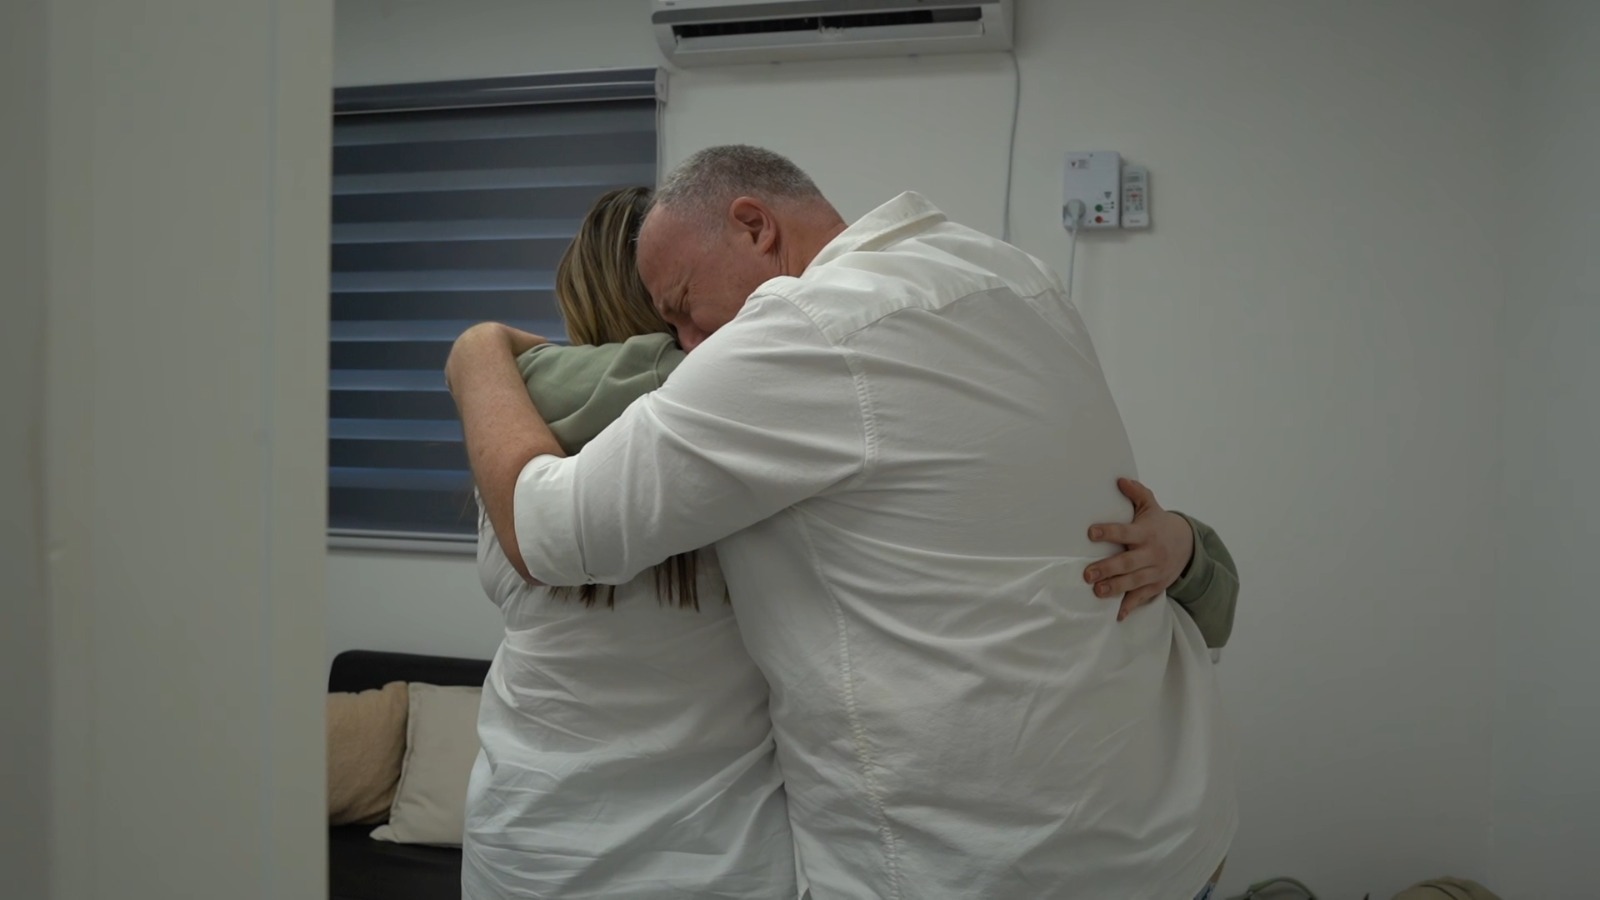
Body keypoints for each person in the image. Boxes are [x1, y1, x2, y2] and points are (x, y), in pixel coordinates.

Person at [449, 159, 1239, 898]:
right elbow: (1052, 508)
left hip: (998, 865)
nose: (693, 347)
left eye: (687, 305)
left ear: (755, 226)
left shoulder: (798, 340)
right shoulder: (1010, 274)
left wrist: (477, 353)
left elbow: (546, 529)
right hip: (1172, 827)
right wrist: (1188, 545)